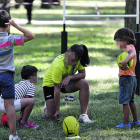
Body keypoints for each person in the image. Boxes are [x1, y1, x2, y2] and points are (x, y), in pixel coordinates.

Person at [0, 10, 35, 140]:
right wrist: (17, 26)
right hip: (7, 77)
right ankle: (13, 135)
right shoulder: (10, 39)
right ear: (8, 25)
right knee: (9, 106)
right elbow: (31, 35)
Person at [42, 44, 92, 123]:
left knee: (84, 83)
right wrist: (58, 110)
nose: (68, 60)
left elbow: (83, 74)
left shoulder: (79, 60)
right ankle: (46, 108)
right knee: (50, 115)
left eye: (72, 60)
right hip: (51, 84)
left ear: (78, 59)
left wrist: (70, 77)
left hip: (65, 82)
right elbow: (56, 89)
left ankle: (84, 115)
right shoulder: (58, 65)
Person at [114, 27, 140, 128]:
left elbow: (133, 54)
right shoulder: (130, 47)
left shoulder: (129, 47)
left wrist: (125, 61)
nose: (117, 44)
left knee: (125, 102)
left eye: (118, 41)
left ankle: (126, 123)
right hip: (132, 78)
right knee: (131, 100)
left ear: (124, 39)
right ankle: (136, 120)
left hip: (126, 78)